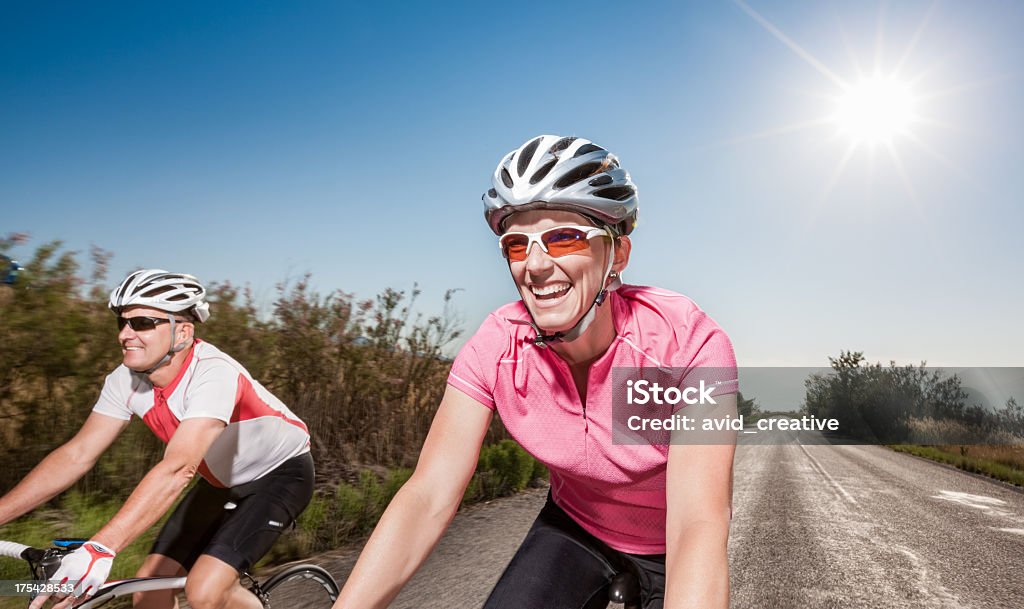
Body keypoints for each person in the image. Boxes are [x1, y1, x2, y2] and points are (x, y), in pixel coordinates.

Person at [333, 135, 738, 609]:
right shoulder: (497, 345)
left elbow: (698, 523)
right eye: (517, 246)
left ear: (617, 256)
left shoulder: (687, 345)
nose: (538, 266)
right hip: (574, 527)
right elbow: (428, 495)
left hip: (669, 545)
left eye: (563, 238)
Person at [0, 269, 314, 609]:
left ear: (183, 332)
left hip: (280, 475)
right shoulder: (124, 380)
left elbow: (179, 468)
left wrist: (101, 547)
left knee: (206, 590)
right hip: (220, 483)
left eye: (142, 323)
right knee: (148, 593)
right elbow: (77, 454)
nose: (125, 334)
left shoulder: (214, 373)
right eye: (122, 323)